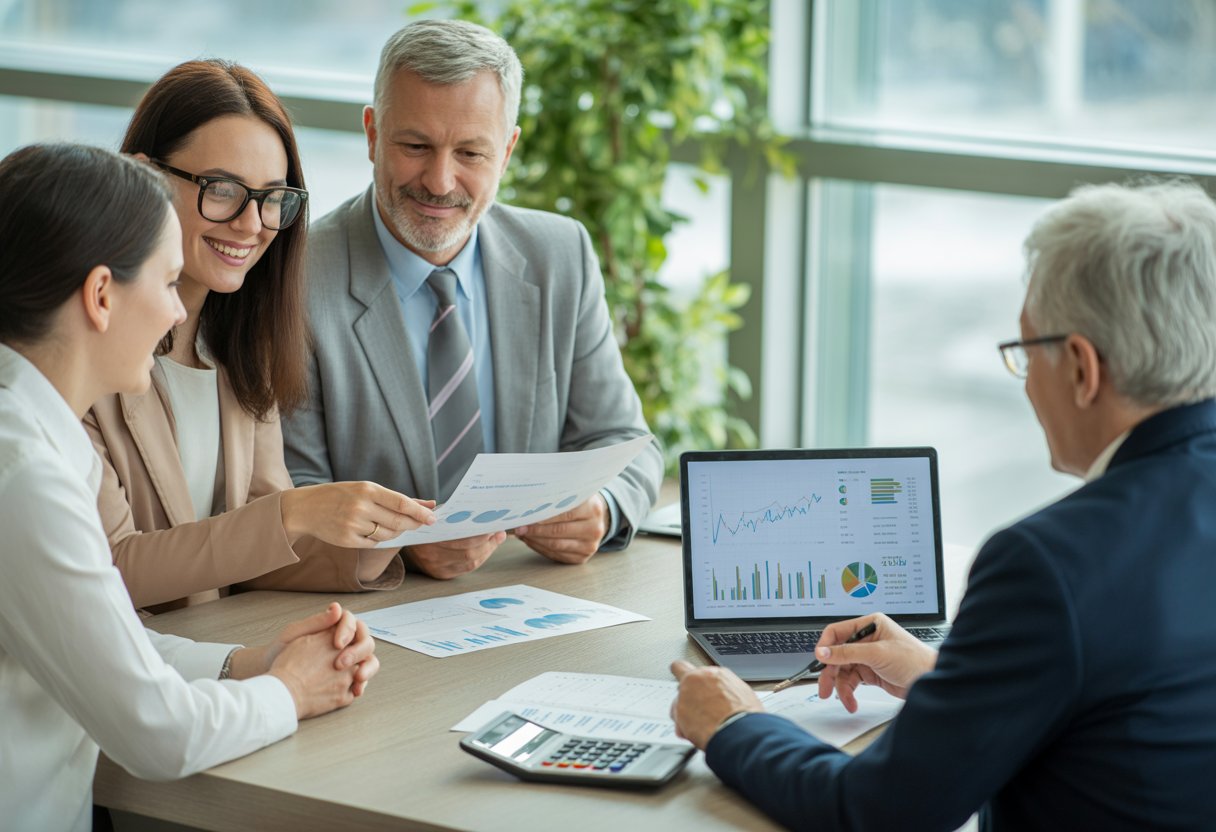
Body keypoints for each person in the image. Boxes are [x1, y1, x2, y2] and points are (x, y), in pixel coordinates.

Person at [670, 180, 1216, 831]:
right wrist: (946, 679)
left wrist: (734, 724)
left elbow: (876, 811)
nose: (1027, 384)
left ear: (1080, 367)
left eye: (1026, 353)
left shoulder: (1047, 564)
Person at [0, 142, 381, 832]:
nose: (180, 314)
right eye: (169, 283)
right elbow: (157, 734)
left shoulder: (34, 439)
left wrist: (247, 662)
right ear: (101, 295)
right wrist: (287, 691)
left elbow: (106, 640)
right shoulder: (23, 477)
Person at [280, 20, 662, 580]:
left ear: (506, 151)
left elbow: (626, 441)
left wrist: (601, 510)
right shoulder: (297, 279)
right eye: (415, 146)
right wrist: (401, 546)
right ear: (372, 134)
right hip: (371, 616)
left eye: (470, 153)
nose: (439, 181)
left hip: (531, 600)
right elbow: (290, 495)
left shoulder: (560, 255)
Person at [85, 60, 435, 613]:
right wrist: (294, 512)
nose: (252, 224)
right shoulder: (80, 345)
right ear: (142, 177)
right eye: (222, 189)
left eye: (272, 197)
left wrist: (390, 539)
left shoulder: (241, 345)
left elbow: (254, 550)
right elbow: (106, 569)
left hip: (205, 660)